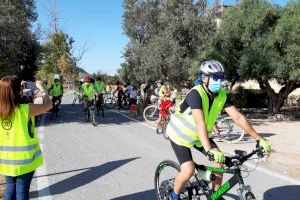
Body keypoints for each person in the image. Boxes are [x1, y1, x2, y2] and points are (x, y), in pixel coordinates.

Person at [166, 60, 272, 200]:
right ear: (205, 78)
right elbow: (200, 122)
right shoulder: (195, 94)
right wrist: (209, 150)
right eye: (215, 78)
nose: (219, 82)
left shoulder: (221, 95)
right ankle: (174, 195)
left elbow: (238, 118)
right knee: (188, 171)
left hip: (199, 136)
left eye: (221, 78)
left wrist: (259, 139)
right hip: (180, 136)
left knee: (219, 161)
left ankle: (215, 195)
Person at [0, 76, 52, 200]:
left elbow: (7, 96)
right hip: (25, 161)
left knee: (10, 190)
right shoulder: (25, 109)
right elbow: (48, 105)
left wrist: (18, 90)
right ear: (17, 91)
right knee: (22, 192)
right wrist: (41, 88)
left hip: (6, 160)